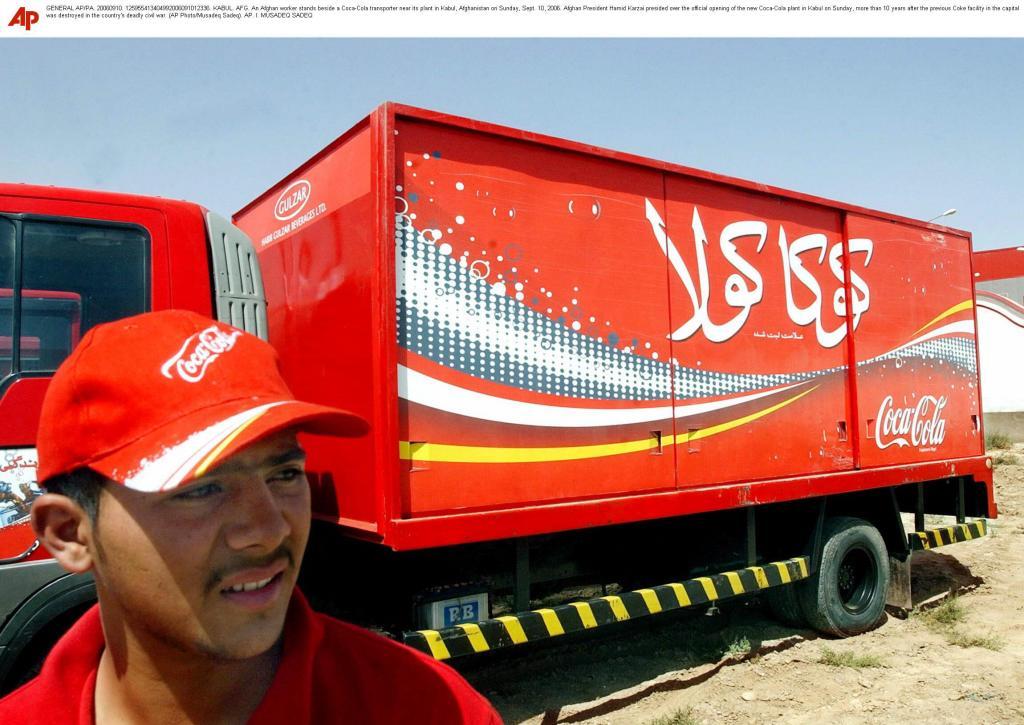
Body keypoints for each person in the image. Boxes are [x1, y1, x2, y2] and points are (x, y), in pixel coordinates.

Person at [0, 310, 502, 724]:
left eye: (283, 474)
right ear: (70, 533)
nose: (268, 529)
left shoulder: (425, 706)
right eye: (201, 488)